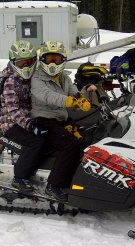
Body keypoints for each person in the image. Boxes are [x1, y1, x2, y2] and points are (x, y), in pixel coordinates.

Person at [31, 40, 95, 201]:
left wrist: (82, 97)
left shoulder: (64, 77)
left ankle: (72, 178)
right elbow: (47, 96)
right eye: (49, 58)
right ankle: (53, 186)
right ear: (42, 60)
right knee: (69, 143)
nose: (52, 62)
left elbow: (74, 92)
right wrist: (70, 102)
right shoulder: (37, 78)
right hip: (43, 119)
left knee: (83, 140)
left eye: (56, 59)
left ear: (63, 60)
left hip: (60, 119)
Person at [0, 40, 47, 193]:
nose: (26, 67)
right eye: (21, 64)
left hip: (29, 119)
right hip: (11, 124)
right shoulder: (10, 81)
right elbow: (13, 110)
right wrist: (30, 125)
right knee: (36, 142)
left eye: (29, 62)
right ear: (13, 63)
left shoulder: (34, 78)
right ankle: (19, 178)